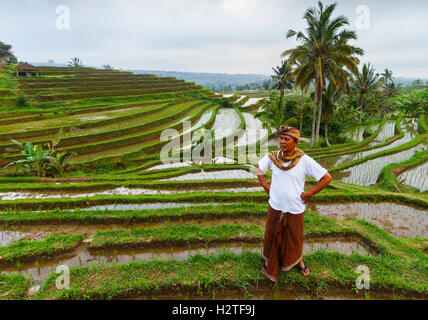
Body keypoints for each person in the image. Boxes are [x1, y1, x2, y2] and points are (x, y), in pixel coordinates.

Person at [255, 126, 332, 283]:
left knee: (294, 238)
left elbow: (327, 177)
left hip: (295, 207)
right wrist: (265, 186)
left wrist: (309, 194)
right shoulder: (273, 157)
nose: (282, 142)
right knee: (271, 234)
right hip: (275, 205)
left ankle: (297, 261)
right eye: (281, 139)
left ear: (295, 142)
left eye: (286, 139)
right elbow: (258, 167)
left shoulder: (304, 160)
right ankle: (269, 260)